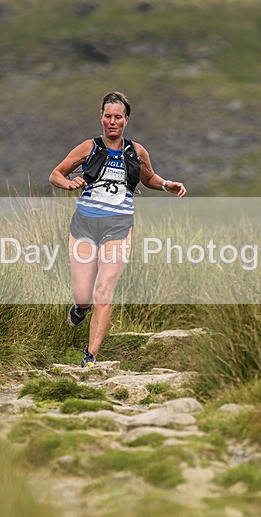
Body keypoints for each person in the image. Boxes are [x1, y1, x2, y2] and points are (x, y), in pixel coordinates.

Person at [49, 91, 187, 368]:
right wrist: (69, 184)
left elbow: (148, 177)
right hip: (85, 224)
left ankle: (90, 358)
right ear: (101, 118)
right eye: (108, 116)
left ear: (126, 120)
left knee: (104, 290)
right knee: (84, 295)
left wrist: (166, 184)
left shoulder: (136, 151)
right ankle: (80, 308)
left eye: (118, 117)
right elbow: (56, 174)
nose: (112, 122)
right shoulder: (88, 147)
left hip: (119, 225)